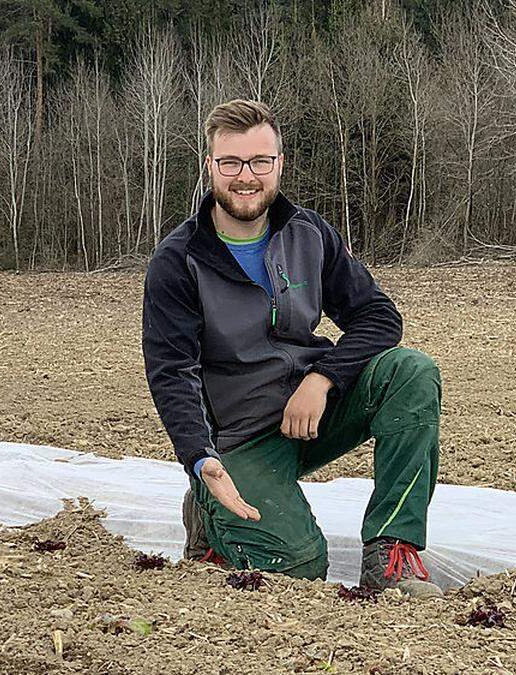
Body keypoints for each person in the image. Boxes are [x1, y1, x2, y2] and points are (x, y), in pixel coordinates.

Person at [141, 99, 442, 596]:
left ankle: (391, 554)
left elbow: (379, 316)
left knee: (409, 372)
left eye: (260, 161)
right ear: (210, 166)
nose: (246, 177)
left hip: (309, 413)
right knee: (297, 567)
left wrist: (323, 379)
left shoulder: (307, 233)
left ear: (279, 164)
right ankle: (209, 508)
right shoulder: (180, 260)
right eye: (231, 163)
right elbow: (172, 371)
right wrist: (199, 458)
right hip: (239, 438)